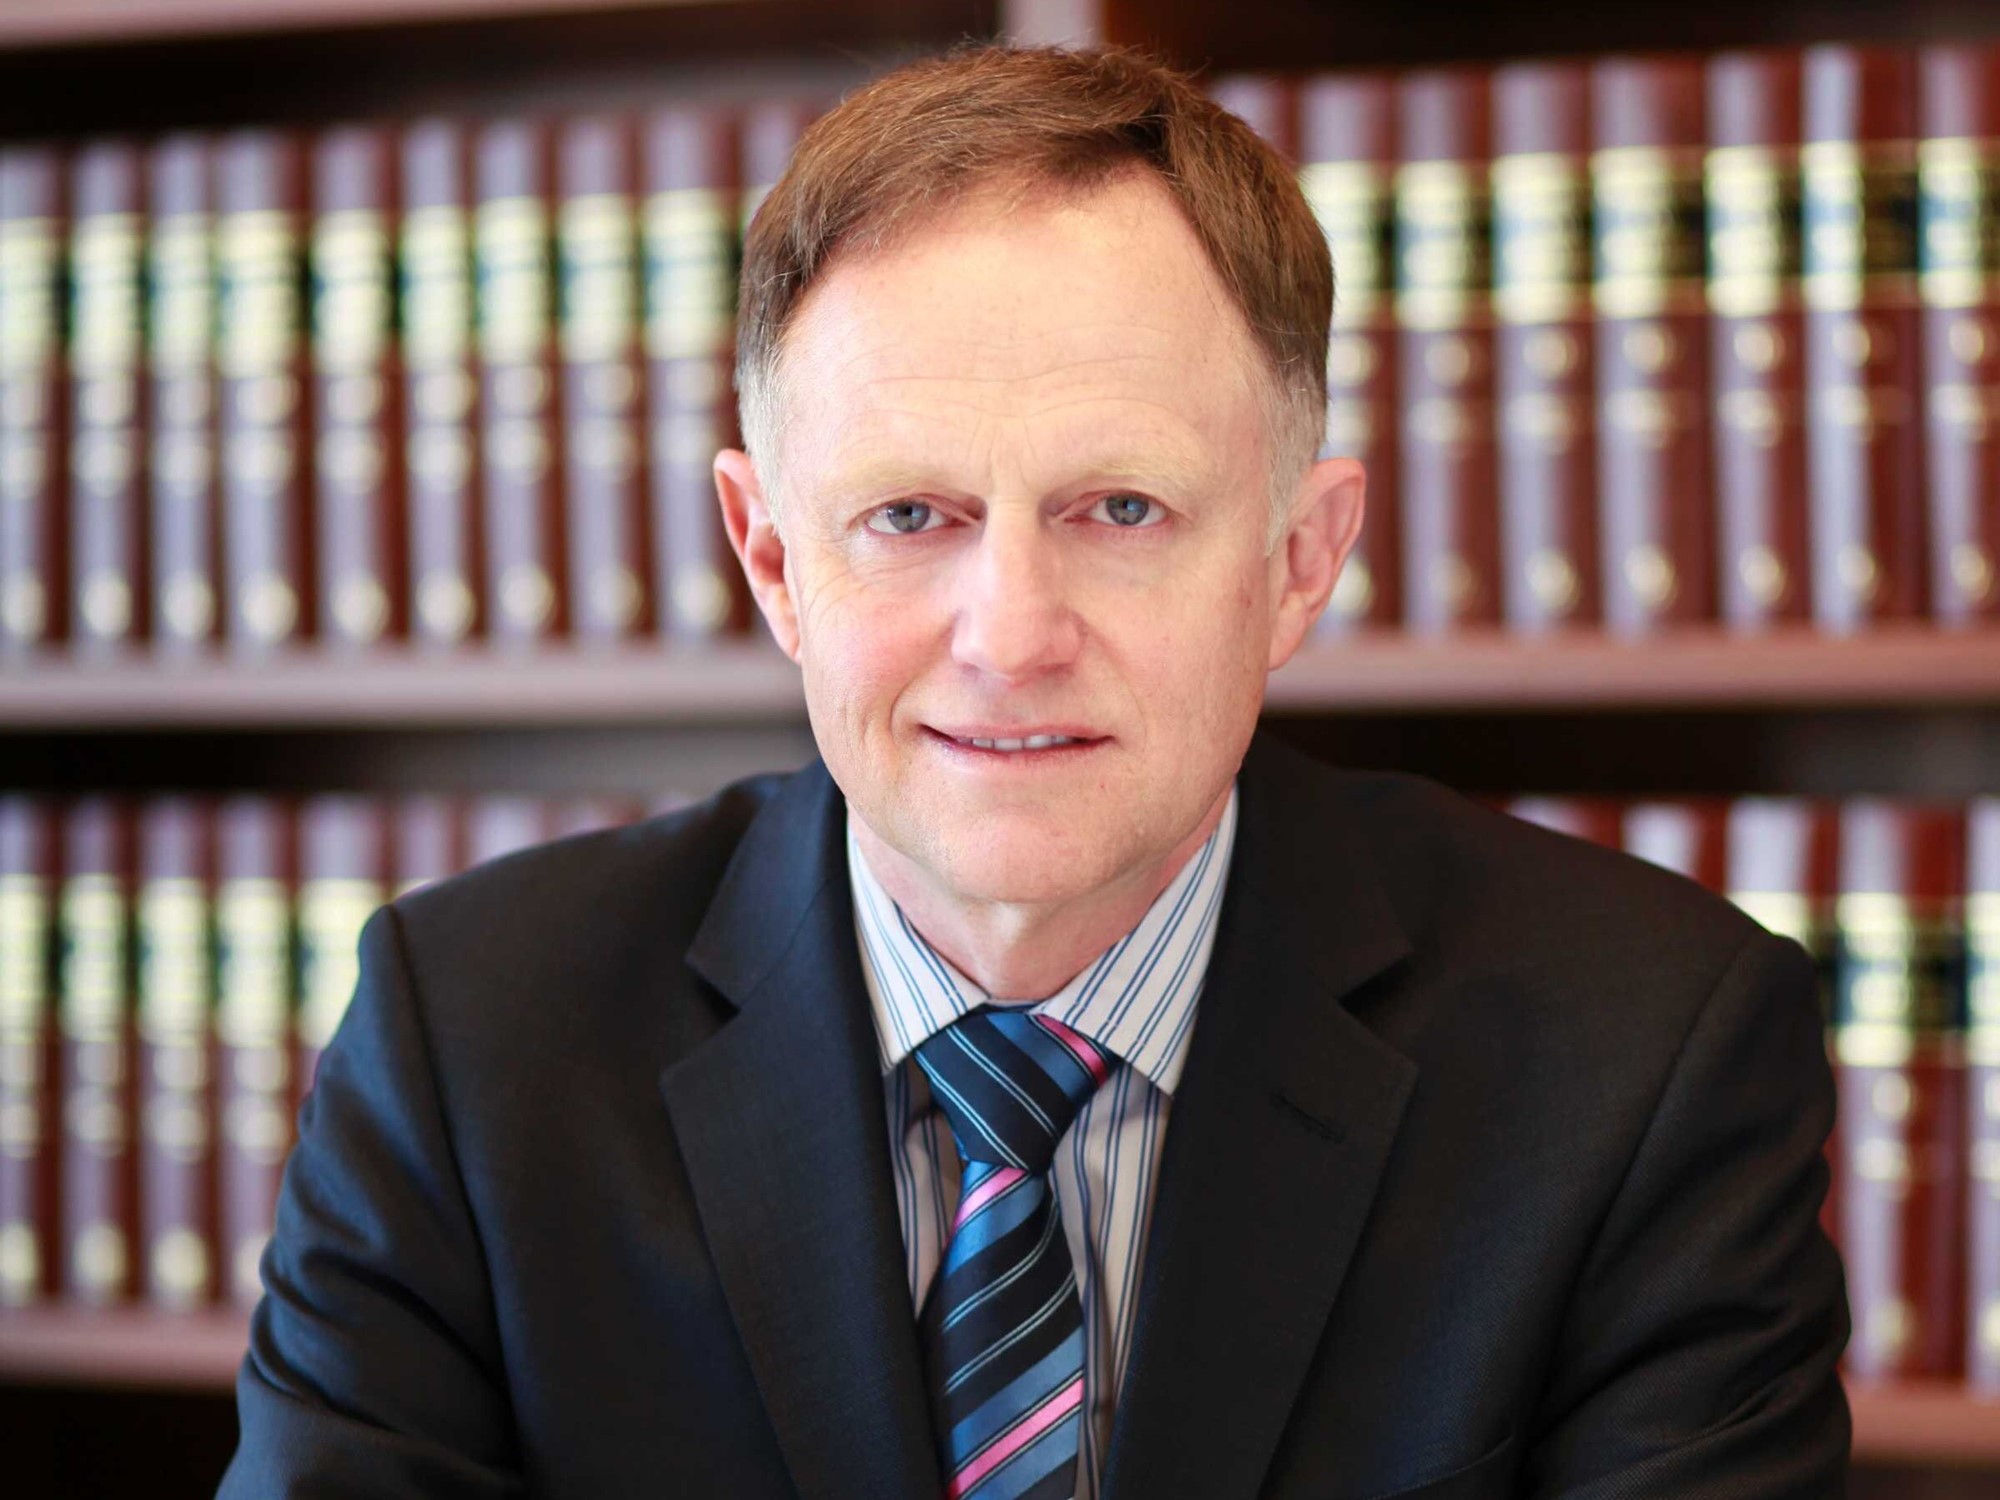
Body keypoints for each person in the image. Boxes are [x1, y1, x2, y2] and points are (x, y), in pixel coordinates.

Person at [218, 44, 1849, 1500]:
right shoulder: (472, 1045)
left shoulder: (1647, 1056)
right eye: (909, 517)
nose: (1010, 633)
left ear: (1300, 557)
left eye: (1120, 511)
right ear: (774, 561)